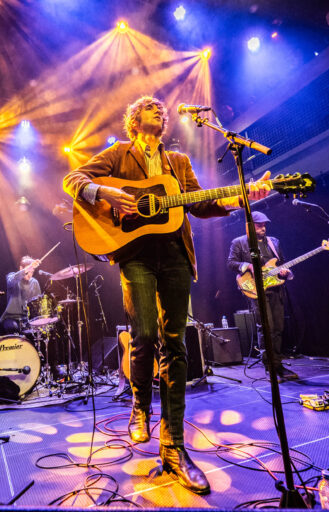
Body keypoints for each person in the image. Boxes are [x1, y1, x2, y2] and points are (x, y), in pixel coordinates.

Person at [63, 96, 271, 494]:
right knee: (143, 335)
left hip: (176, 256)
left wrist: (240, 196)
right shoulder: (119, 154)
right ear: (133, 119)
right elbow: (73, 180)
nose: (159, 111)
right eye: (150, 108)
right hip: (135, 256)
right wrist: (102, 191)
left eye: (161, 109)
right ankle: (140, 406)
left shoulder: (178, 163)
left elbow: (201, 203)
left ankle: (173, 446)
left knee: (175, 344)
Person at [227, 211, 297, 382]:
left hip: (276, 289)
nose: (263, 228)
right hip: (256, 290)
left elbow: (281, 263)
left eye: (264, 224)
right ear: (250, 226)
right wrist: (247, 265)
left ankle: (278, 364)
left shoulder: (274, 242)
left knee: (278, 328)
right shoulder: (239, 242)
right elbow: (231, 263)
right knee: (266, 328)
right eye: (259, 225)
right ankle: (270, 367)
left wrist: (285, 272)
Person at [0, 256, 42, 333]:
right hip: (12, 318)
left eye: (32, 272)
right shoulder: (12, 276)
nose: (30, 275)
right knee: (13, 328)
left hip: (28, 320)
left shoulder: (34, 282)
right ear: (21, 268)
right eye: (28, 272)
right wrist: (28, 268)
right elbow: (11, 281)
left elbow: (38, 303)